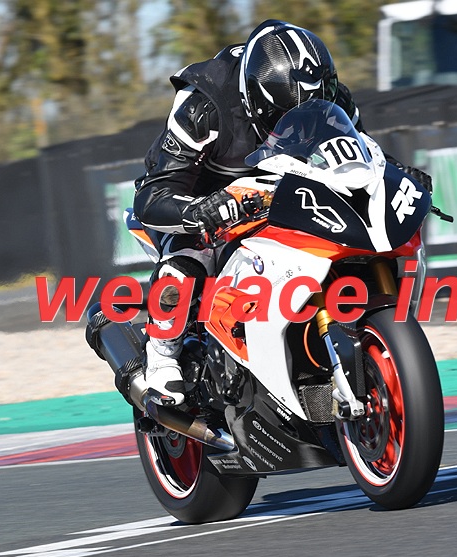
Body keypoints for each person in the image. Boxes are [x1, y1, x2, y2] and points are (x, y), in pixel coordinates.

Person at [132, 19, 431, 406]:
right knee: (187, 259)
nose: (296, 119)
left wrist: (395, 172)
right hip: (204, 193)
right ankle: (162, 358)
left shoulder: (331, 94)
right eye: (285, 114)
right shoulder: (203, 105)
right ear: (256, 101)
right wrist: (200, 210)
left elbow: (360, 152)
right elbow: (154, 192)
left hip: (284, 183)